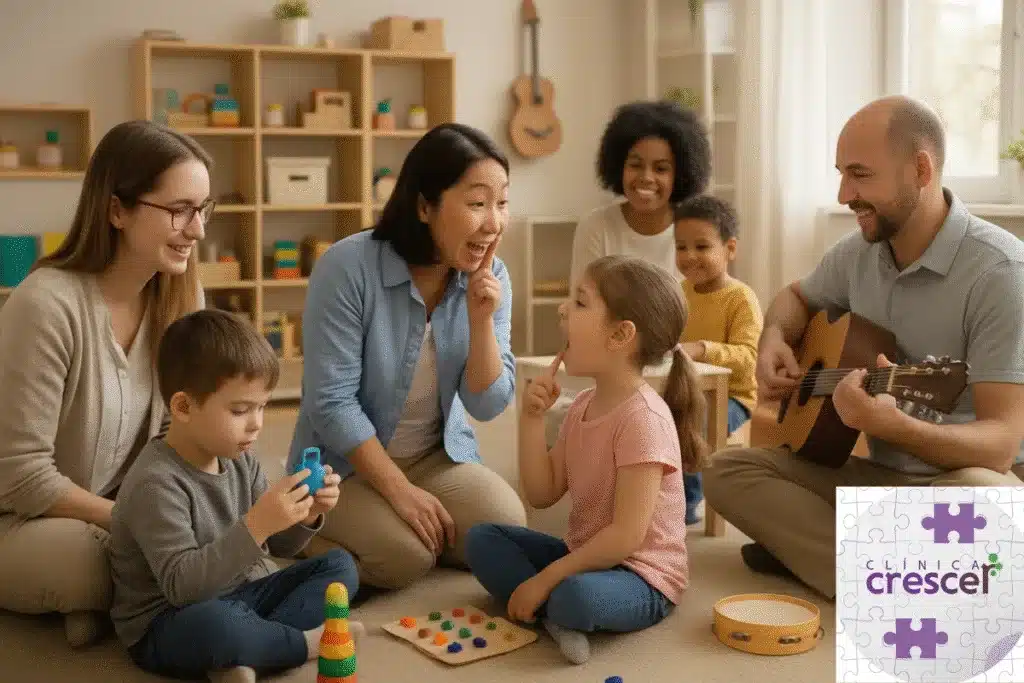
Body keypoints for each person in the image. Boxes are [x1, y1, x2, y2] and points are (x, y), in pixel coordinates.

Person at [703, 95, 1024, 601]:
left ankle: (828, 561)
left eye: (859, 174)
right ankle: (905, 578)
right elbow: (794, 297)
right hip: (878, 483)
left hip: (958, 485)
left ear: (921, 169)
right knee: (726, 469)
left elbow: (1003, 443)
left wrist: (893, 426)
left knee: (991, 499)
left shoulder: (1000, 272)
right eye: (841, 174)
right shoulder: (858, 252)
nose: (844, 193)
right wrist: (773, 338)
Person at [288, 123, 527, 591]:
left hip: (433, 458)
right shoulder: (346, 267)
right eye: (477, 203)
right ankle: (295, 534)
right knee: (405, 557)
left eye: (502, 203)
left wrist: (482, 321)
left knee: (505, 528)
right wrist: (400, 493)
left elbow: (488, 405)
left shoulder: (491, 275)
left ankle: (393, 531)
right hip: (345, 468)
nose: (494, 223)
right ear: (424, 206)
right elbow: (331, 402)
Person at [0, 120, 209, 646]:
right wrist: (140, 521)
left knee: (219, 516)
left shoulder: (181, 297)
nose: (198, 230)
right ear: (117, 210)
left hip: (117, 504)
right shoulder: (45, 303)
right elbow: (22, 477)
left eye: (203, 210)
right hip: (21, 516)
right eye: (179, 210)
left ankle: (98, 606)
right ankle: (99, 594)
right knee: (90, 565)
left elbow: (176, 438)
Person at [465, 255, 708, 665]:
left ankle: (557, 609)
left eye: (579, 303)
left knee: (573, 595)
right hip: (583, 556)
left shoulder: (644, 419)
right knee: (482, 540)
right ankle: (556, 612)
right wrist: (530, 419)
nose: (563, 309)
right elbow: (541, 494)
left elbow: (626, 538)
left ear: (620, 335)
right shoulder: (580, 406)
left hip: (642, 577)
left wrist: (544, 580)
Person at [108, 309, 361, 683]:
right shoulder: (155, 482)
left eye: (261, 407)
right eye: (240, 410)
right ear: (183, 408)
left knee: (339, 567)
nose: (257, 423)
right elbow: (184, 589)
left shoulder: (240, 459)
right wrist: (256, 524)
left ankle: (246, 653)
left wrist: (306, 514)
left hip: (244, 595)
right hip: (171, 620)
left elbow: (279, 545)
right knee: (218, 625)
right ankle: (299, 644)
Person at [673, 194, 763, 525]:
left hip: (732, 397)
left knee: (693, 423)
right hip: (685, 391)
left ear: (730, 249)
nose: (689, 256)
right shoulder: (680, 292)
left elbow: (747, 357)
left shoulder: (740, 298)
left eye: (701, 247)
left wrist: (703, 348)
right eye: (681, 247)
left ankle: (686, 503)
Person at [568, 100, 712, 289]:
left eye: (660, 169)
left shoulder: (699, 231)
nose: (646, 177)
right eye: (636, 165)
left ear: (680, 175)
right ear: (619, 167)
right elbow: (582, 306)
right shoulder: (596, 227)